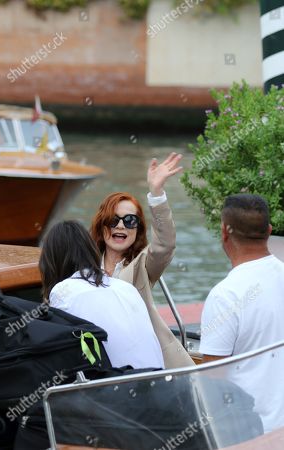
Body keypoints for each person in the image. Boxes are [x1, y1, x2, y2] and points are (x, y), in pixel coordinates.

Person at [90, 152, 194, 369]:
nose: (120, 226)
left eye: (129, 221)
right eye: (113, 220)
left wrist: (157, 193)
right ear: (102, 225)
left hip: (143, 361)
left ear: (138, 230)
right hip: (99, 359)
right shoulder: (84, 267)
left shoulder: (141, 266)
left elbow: (165, 244)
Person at [199, 194, 284, 432]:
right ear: (268, 230)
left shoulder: (224, 295)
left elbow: (213, 384)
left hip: (252, 432)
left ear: (225, 231)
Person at [39, 220, 164, 370]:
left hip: (118, 386)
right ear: (91, 251)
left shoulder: (62, 292)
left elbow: (58, 355)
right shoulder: (126, 288)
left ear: (52, 262)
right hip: (159, 379)